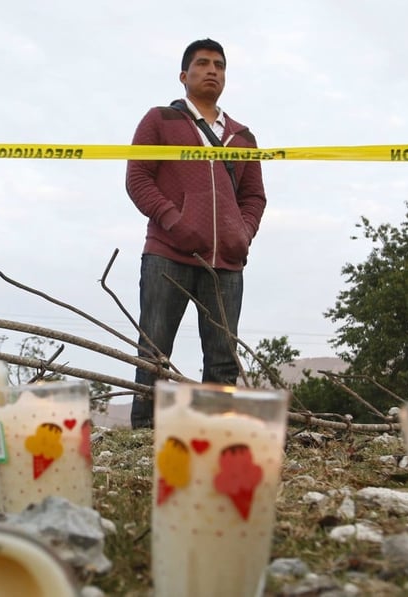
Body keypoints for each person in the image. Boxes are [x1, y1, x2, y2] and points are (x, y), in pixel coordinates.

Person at [126, 38, 268, 428]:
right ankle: (143, 436)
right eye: (203, 64)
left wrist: (242, 234)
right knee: (154, 348)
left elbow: (254, 196)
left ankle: (215, 435)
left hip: (226, 263)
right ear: (183, 75)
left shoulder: (243, 137)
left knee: (223, 357)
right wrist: (175, 221)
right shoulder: (159, 120)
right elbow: (138, 179)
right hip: (167, 255)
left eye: (219, 65)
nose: (212, 71)